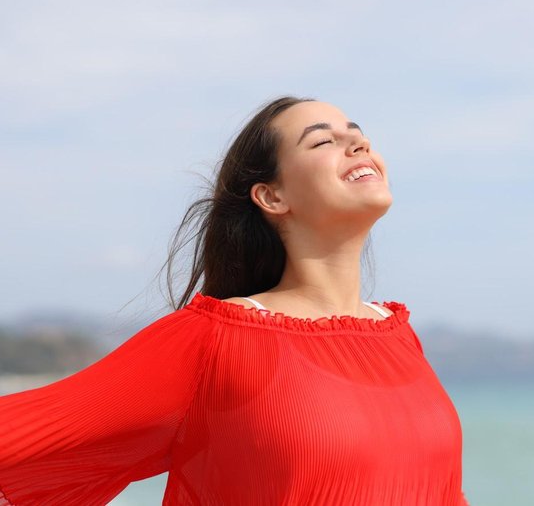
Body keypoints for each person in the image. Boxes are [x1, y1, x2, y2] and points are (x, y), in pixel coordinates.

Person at [0, 96, 469, 505]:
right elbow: (24, 436)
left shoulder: (396, 333)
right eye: (322, 141)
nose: (359, 145)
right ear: (272, 196)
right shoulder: (216, 338)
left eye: (358, 134)